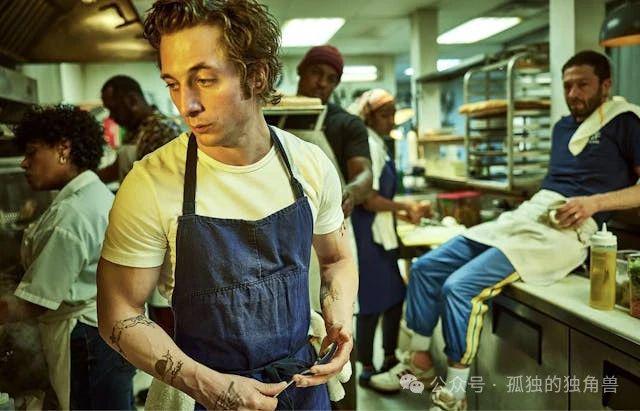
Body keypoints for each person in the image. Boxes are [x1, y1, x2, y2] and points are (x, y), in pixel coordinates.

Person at [97, 1, 357, 410]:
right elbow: (118, 312)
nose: (186, 105)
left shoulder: (309, 165)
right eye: (173, 84)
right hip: (202, 394)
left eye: (204, 80)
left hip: (304, 384)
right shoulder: (150, 183)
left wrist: (339, 321)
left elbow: (337, 259)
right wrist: (209, 386)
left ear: (257, 75)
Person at [370, 50, 640, 411]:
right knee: (425, 268)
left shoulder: (626, 122)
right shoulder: (563, 127)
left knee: (459, 288)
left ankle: (454, 396)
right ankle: (418, 362)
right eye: (567, 86)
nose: (573, 93)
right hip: (530, 216)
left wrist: (594, 203)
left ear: (606, 85)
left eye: (583, 85)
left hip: (569, 229)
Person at [0, 105, 136, 410]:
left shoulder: (72, 214)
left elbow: (35, 301)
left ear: (63, 150)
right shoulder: (91, 195)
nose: (24, 163)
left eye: (32, 153)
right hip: (108, 332)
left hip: (87, 341)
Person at [296, 44, 373, 410]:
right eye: (316, 74)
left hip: (330, 236)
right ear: (301, 71)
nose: (321, 84)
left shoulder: (346, 124)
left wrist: (351, 192)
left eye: (331, 79)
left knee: (337, 331)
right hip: (285, 239)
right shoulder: (272, 116)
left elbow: (364, 174)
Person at [351, 89, 430, 388]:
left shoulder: (379, 143)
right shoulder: (368, 144)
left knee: (395, 296)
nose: (392, 121)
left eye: (393, 114)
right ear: (369, 117)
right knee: (372, 302)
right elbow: (368, 199)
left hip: (381, 233)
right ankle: (367, 368)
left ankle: (389, 358)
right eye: (385, 115)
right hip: (367, 234)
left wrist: (401, 214)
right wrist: (404, 207)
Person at [99, 75, 181, 182]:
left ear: (132, 101)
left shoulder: (162, 130)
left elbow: (159, 181)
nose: (111, 116)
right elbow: (117, 168)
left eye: (114, 109)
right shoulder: (134, 129)